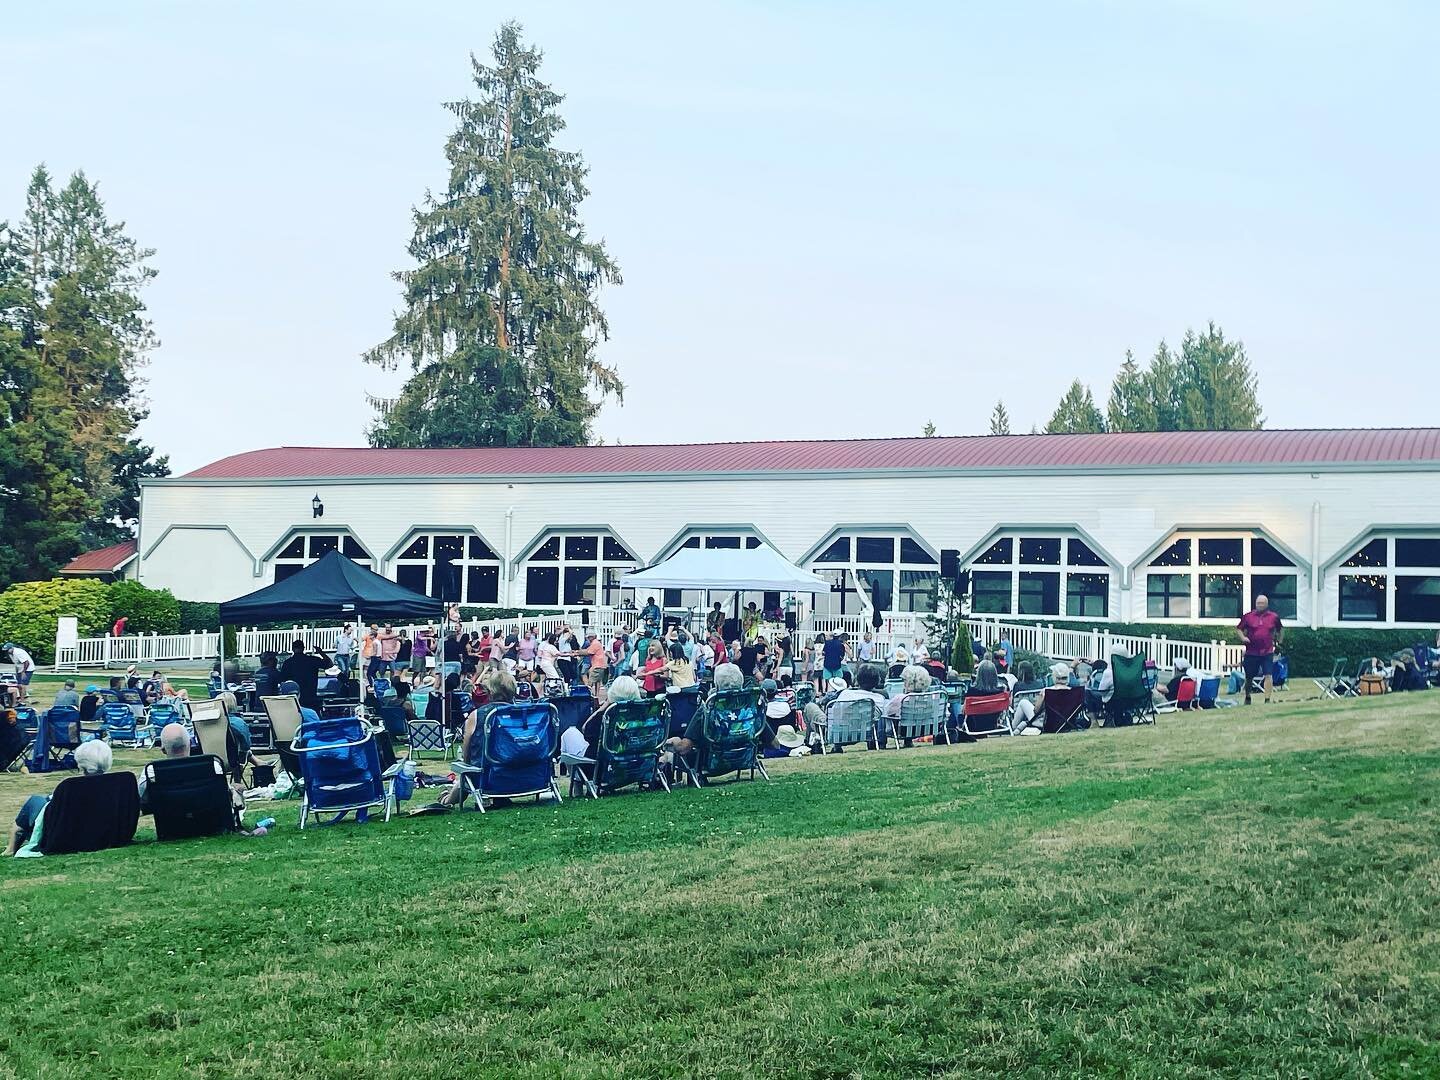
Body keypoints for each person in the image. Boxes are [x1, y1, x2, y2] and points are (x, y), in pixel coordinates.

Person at [8, 739, 113, 855]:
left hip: (64, 832)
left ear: (81, 764)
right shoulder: (116, 786)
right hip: (101, 831)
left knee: (35, 800)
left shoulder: (72, 787)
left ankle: (11, 848)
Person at [136, 722, 194, 812]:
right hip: (209, 824)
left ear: (163, 750)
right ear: (190, 743)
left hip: (168, 824)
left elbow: (142, 800)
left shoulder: (151, 773)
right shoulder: (211, 766)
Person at [1237, 595, 1282, 705]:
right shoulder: (1248, 616)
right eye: (1258, 603)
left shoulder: (1273, 617)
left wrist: (1279, 642)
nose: (1260, 605)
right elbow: (1239, 629)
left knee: (1268, 674)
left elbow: (1280, 629)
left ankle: (1267, 699)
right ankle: (1247, 696)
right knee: (1249, 677)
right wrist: (1243, 638)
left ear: (1267, 604)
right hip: (1251, 651)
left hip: (1267, 651)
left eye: (1262, 603)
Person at [1011, 663, 1072, 734]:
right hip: (1066, 721)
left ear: (1054, 677)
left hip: (1046, 723)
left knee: (1023, 702)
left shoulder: (1046, 692)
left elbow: (1036, 711)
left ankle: (1013, 727)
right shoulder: (1074, 692)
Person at [883, 664, 933, 747]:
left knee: (885, 717)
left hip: (903, 730)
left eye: (904, 680)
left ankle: (880, 743)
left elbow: (888, 712)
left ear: (909, 682)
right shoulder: (931, 698)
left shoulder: (900, 698)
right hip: (927, 729)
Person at [279, 638, 329, 710]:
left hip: (294, 697)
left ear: (293, 649)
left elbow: (282, 679)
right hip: (310, 695)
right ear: (303, 648)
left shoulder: (288, 663)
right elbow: (328, 664)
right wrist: (321, 652)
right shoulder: (312, 660)